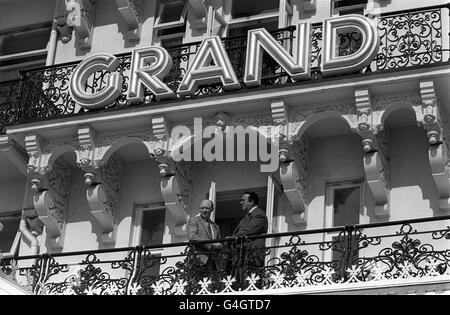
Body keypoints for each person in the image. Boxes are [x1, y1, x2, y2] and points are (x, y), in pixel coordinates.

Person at [230, 192, 268, 273]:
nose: (241, 202)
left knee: (251, 282)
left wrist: (231, 238)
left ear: (251, 201)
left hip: (252, 257)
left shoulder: (259, 215)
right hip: (242, 257)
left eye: (243, 200)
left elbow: (249, 231)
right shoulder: (248, 215)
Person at [187, 200, 223, 272]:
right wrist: (211, 245)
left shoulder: (215, 226)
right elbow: (192, 237)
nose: (204, 210)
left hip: (214, 261)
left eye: (207, 208)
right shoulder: (194, 220)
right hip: (199, 260)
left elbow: (219, 241)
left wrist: (220, 245)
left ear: (212, 209)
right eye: (202, 208)